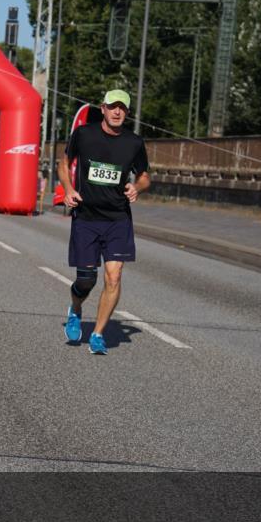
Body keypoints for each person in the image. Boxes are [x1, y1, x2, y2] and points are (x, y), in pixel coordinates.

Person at [58, 89, 150, 355]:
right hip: (86, 217)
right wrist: (67, 188)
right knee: (86, 280)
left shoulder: (133, 142)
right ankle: (76, 309)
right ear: (103, 108)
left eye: (122, 107)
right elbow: (64, 163)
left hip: (118, 219)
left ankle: (98, 333)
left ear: (128, 112)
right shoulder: (85, 134)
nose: (117, 112)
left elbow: (144, 176)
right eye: (113, 106)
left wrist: (137, 187)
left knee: (114, 275)